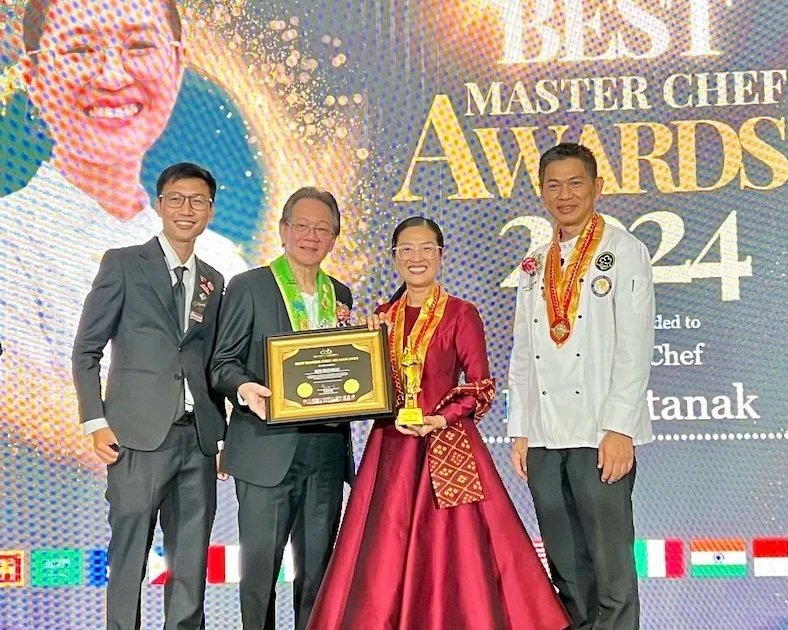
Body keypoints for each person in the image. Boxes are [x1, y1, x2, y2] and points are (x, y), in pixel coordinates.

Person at [0, 0, 247, 463]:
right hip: (72, 514)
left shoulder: (222, 259)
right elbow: (28, 424)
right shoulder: (8, 239)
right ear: (33, 78)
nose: (112, 76)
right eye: (79, 50)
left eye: (138, 45)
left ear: (175, 64)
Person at [307, 217, 569, 630]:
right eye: (406, 250)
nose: (417, 258)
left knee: (457, 554)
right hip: (391, 449)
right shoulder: (381, 317)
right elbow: (365, 386)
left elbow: (480, 385)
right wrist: (359, 342)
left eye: (426, 248)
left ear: (441, 256)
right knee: (383, 551)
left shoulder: (461, 313)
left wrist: (440, 418)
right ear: (394, 258)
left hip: (446, 446)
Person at [71, 162, 228, 629]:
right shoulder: (121, 263)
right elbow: (86, 350)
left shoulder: (213, 281)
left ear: (210, 210)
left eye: (198, 201)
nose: (187, 209)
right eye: (177, 199)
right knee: (129, 560)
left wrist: (218, 435)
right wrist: (95, 421)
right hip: (135, 439)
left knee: (190, 568)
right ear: (159, 205)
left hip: (197, 444)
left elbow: (209, 364)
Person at [507, 143, 655, 630]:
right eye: (553, 185)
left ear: (596, 186)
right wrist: (522, 428)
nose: (564, 195)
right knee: (567, 570)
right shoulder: (535, 261)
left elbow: (635, 348)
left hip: (599, 432)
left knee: (611, 569)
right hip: (546, 438)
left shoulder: (623, 250)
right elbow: (524, 353)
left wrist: (620, 428)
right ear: (541, 192)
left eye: (575, 183)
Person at [210, 187, 355, 630]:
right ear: (283, 230)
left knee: (318, 573)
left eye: (322, 229)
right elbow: (221, 363)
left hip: (326, 451)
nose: (311, 236)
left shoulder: (341, 294)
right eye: (303, 226)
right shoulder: (249, 286)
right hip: (266, 447)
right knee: (259, 573)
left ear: (334, 238)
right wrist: (246, 387)